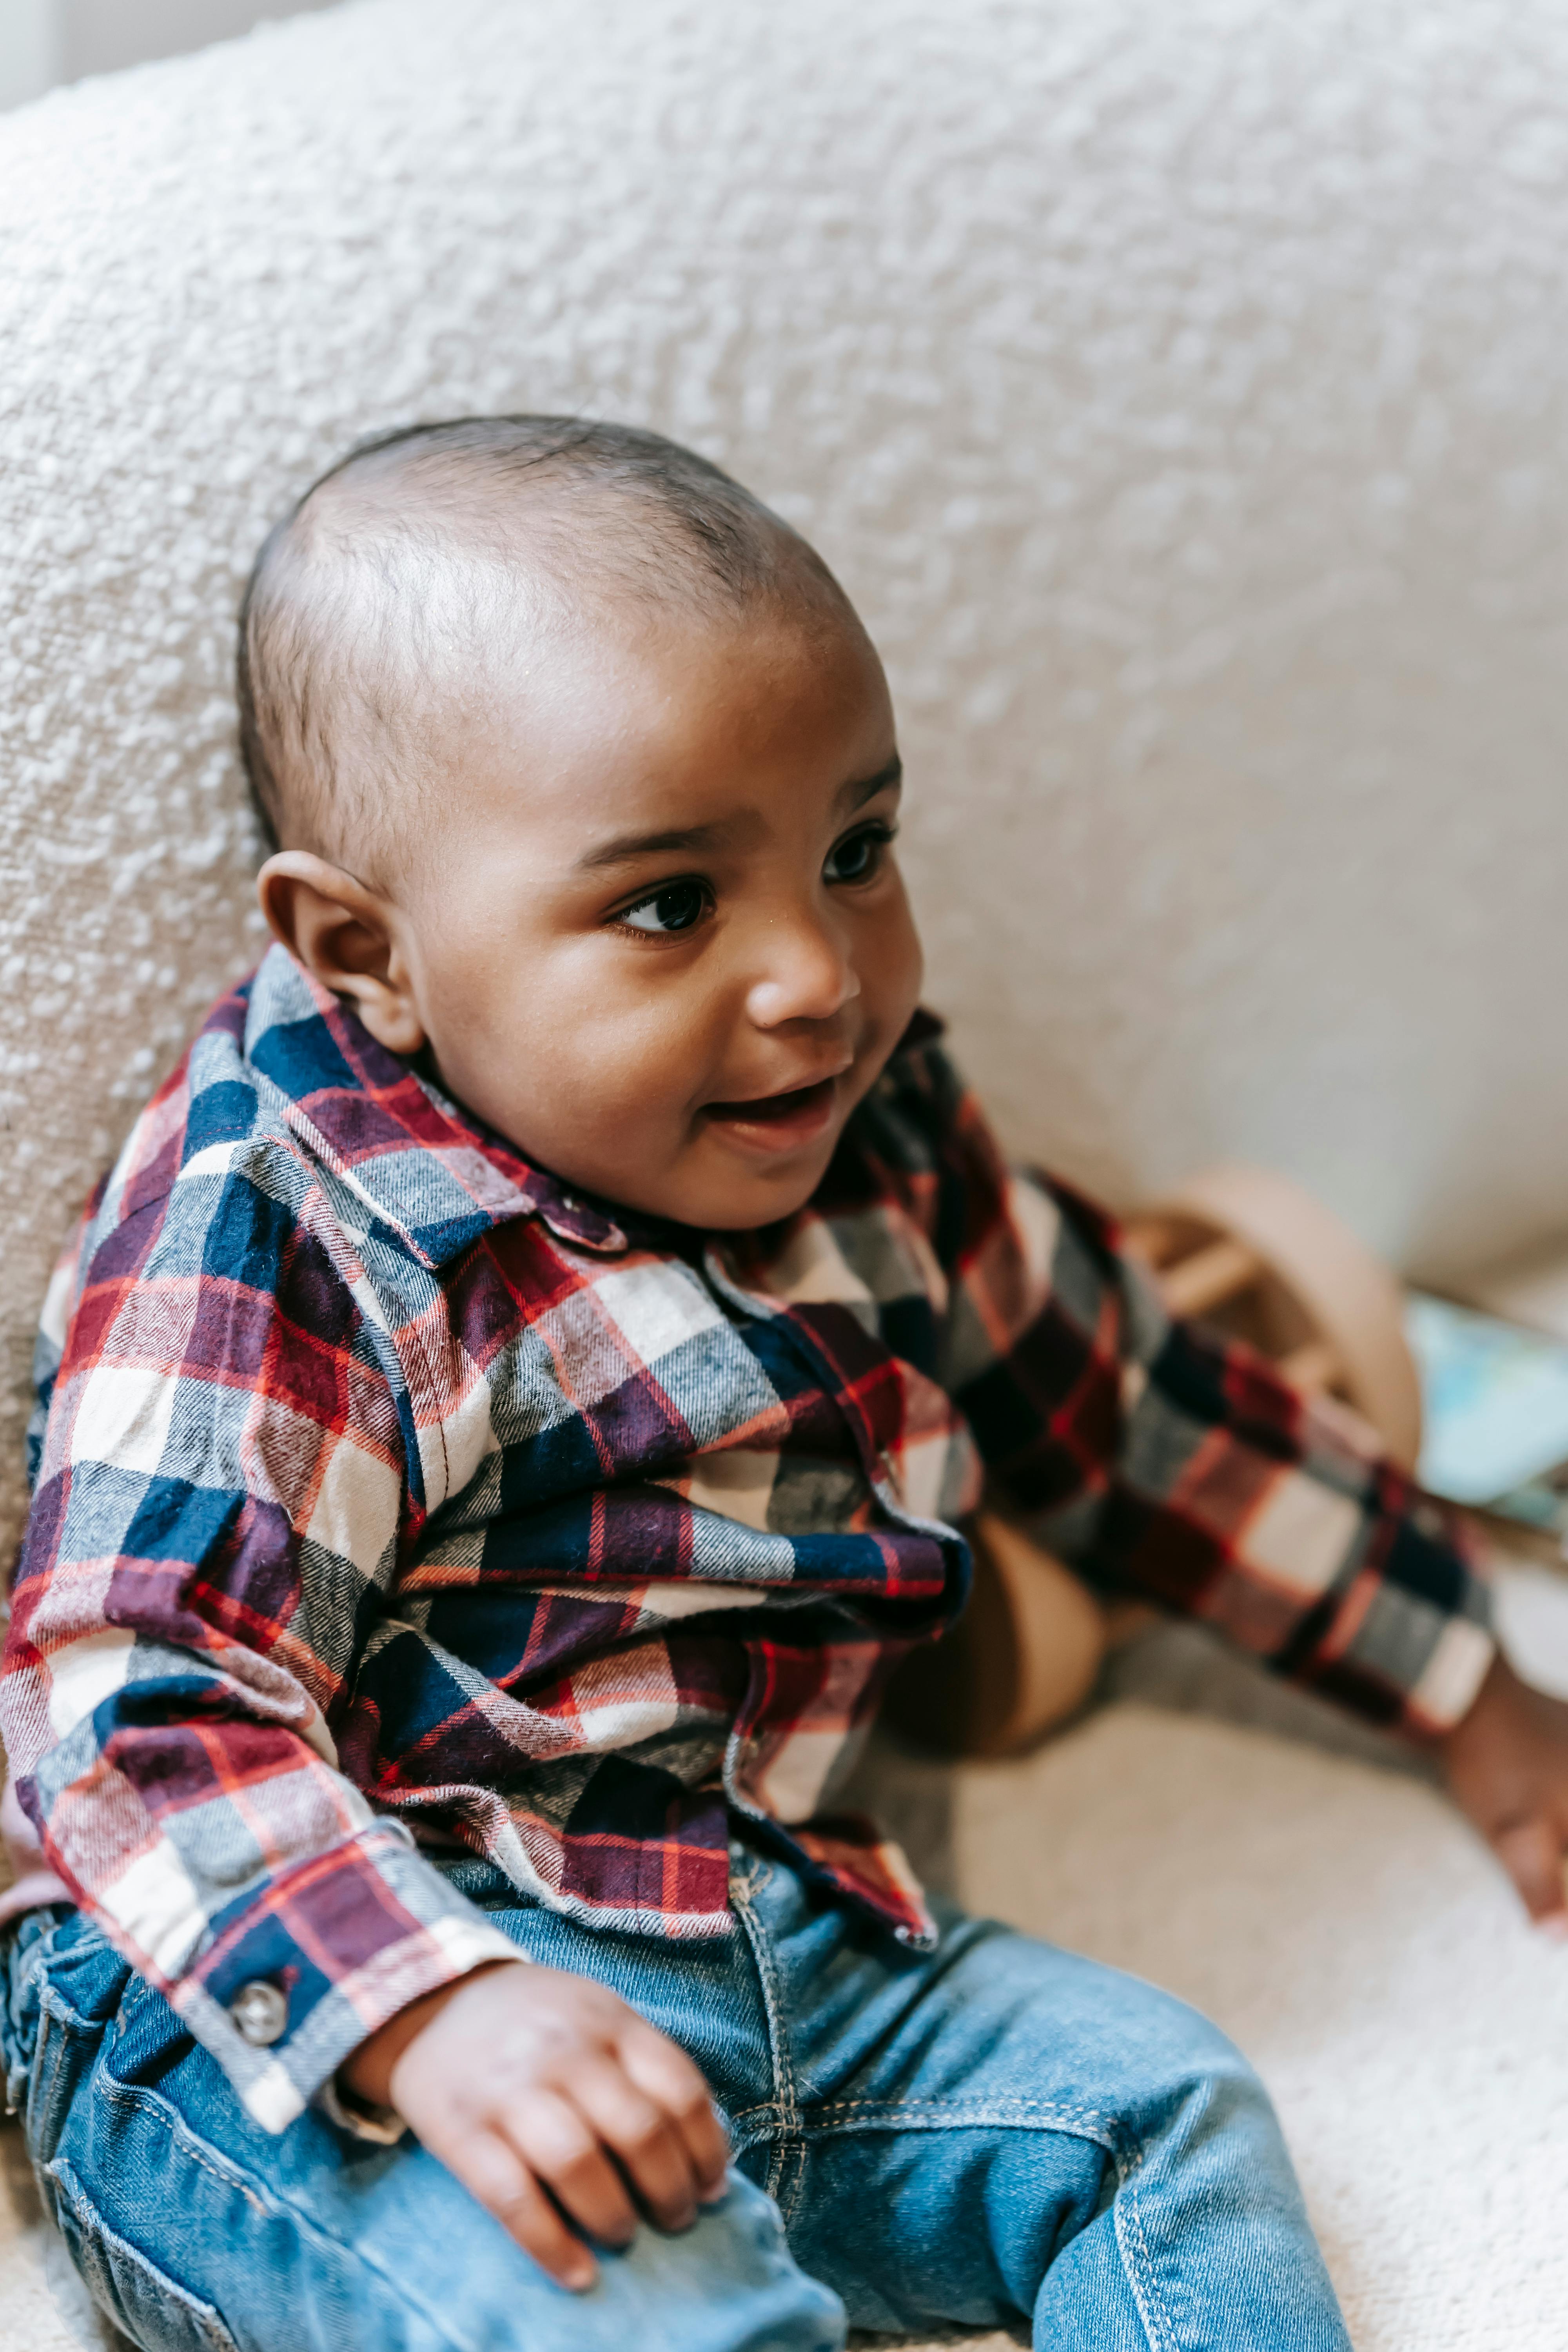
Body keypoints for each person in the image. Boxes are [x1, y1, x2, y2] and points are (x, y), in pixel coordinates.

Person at [5, 417, 1568, 2352]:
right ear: (367, 953)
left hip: (766, 1943)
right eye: (671, 905)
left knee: (1161, 2119)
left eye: (853, 852)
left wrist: (1471, 1688)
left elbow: (1133, 1406)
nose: (816, 976)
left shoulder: (875, 1131)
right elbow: (129, 1683)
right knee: (667, 2322)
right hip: (321, 2011)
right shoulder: (288, 1209)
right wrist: (432, 2012)